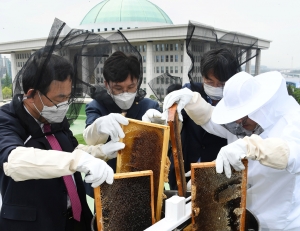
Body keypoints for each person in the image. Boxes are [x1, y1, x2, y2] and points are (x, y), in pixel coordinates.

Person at [162, 71, 300, 231]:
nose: (239, 122)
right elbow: (210, 117)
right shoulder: (243, 123)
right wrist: (192, 101)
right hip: (243, 217)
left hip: (282, 224)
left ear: (261, 107)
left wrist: (251, 147)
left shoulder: (293, 120)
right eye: (236, 116)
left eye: (244, 116)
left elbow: (294, 154)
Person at [0, 51, 114, 231]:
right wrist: (77, 161)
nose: (64, 105)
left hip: (76, 219)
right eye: (59, 98)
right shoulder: (6, 119)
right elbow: (14, 161)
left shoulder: (54, 115)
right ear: (32, 94)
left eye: (68, 97)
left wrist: (103, 151)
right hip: (35, 225)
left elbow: (73, 152)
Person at [144, 48, 240, 190]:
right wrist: (164, 120)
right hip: (185, 166)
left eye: (221, 84)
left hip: (218, 174)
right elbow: (175, 120)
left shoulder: (238, 102)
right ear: (202, 77)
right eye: (209, 81)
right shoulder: (189, 92)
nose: (215, 87)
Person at [81, 51, 160, 197]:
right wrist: (99, 126)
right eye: (118, 88)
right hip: (106, 186)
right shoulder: (97, 106)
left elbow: (168, 144)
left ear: (138, 81)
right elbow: (89, 138)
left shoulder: (150, 106)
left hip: (142, 185)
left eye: (131, 87)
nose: (125, 93)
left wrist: (162, 123)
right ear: (107, 84)